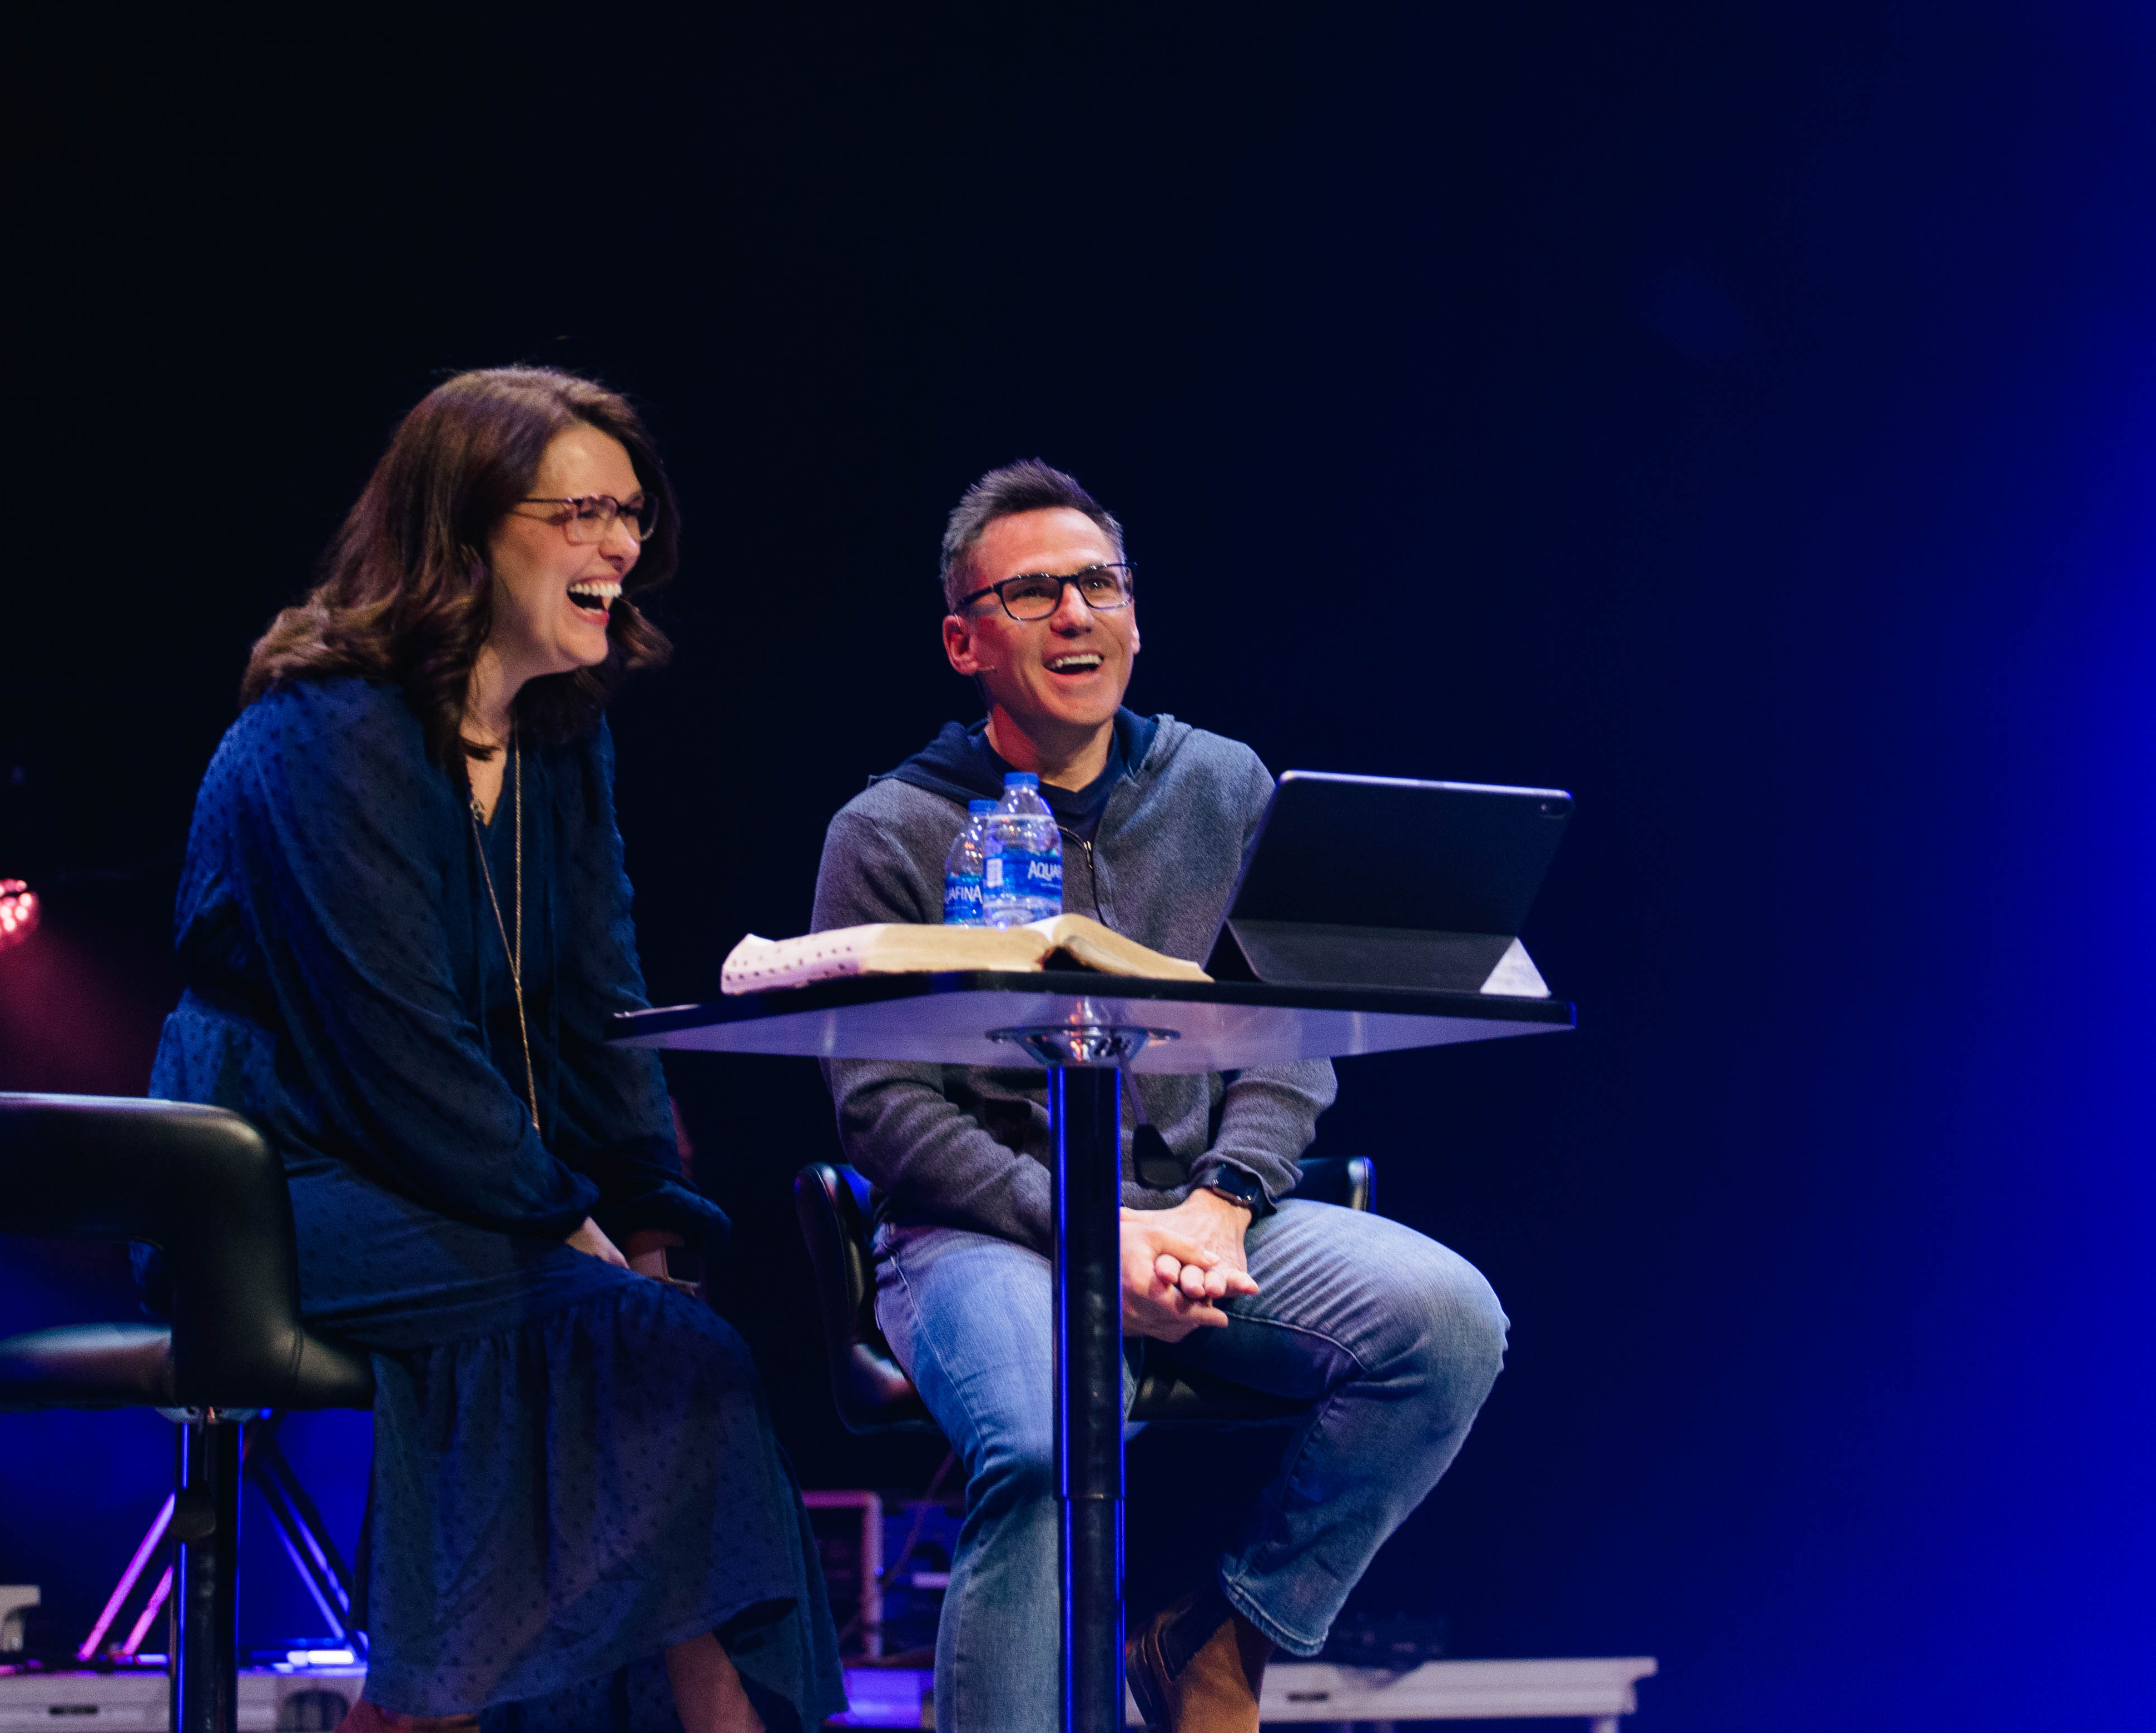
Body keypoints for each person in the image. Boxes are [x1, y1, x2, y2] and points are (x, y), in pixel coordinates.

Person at [149, 368, 843, 1733]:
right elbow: (392, 1045)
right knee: (635, 1340)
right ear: (461, 529)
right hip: (274, 1182)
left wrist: (645, 1210)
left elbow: (597, 1005)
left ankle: (431, 1714)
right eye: (581, 512)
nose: (619, 546)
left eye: (632, 514)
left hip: (457, 1184)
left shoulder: (558, 739)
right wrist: (564, 1219)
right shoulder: (326, 730)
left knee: (658, 1326)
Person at [810, 461, 1509, 1733]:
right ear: (964, 640)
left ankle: (1217, 1645)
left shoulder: (1224, 783)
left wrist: (1221, 1201)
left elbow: (1288, 1035)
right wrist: (1092, 1232)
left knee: (1448, 1321)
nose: (1076, 613)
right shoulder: (890, 826)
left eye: (1100, 583)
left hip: (1197, 1217)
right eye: (1033, 592)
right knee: (1044, 1444)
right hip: (988, 1232)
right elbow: (883, 1108)